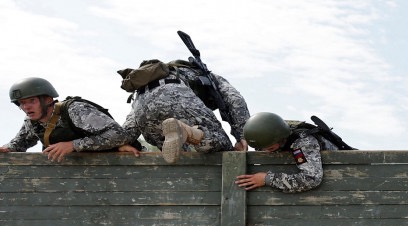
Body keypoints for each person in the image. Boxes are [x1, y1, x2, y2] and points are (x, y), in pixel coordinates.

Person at [118, 59, 249, 163]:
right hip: (175, 95)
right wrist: (243, 135)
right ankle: (186, 131)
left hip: (140, 106)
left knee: (182, 152)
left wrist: (122, 143)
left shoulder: (153, 81)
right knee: (220, 144)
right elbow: (235, 99)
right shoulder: (211, 78)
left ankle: (184, 133)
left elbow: (132, 119)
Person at [1, 77, 132, 162]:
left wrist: (73, 145)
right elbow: (19, 143)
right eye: (22, 103)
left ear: (48, 99)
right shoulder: (32, 121)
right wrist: (6, 149)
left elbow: (120, 135)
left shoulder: (76, 110)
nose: (26, 107)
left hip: (109, 168)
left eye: (32, 101)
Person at [235, 112, 338, 193]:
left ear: (281, 139)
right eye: (261, 148)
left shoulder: (302, 143)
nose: (265, 151)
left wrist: (267, 179)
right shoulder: (267, 138)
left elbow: (311, 179)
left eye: (270, 148)